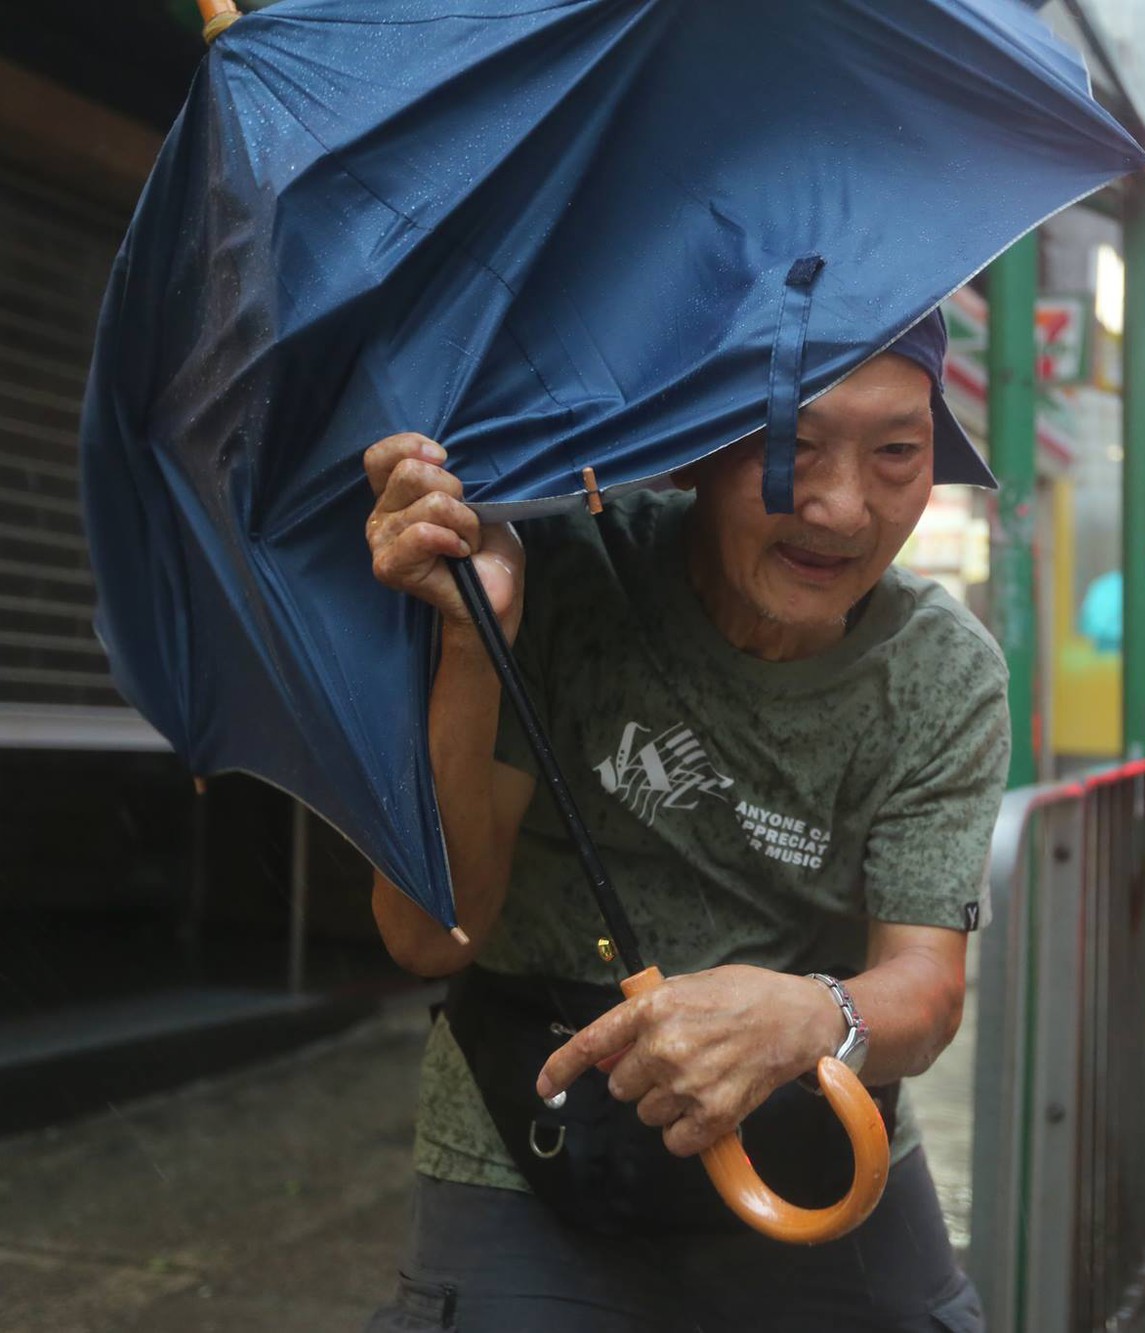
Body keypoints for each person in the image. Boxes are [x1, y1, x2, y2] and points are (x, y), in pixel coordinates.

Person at [359, 311, 1009, 1332]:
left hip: (813, 1127)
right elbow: (423, 934)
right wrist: (474, 644)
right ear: (699, 451)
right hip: (523, 1131)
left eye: (896, 452)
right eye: (790, 450)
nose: (842, 509)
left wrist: (810, 1016)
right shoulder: (566, 580)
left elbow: (923, 990)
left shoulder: (939, 672)